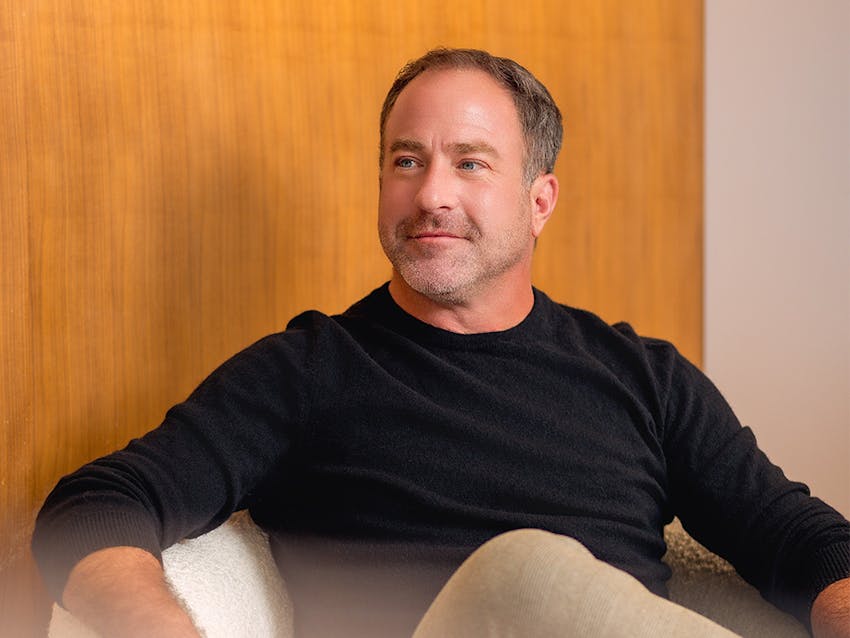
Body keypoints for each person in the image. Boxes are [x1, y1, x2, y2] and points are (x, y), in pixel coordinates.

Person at [32, 48, 850, 638]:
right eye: (406, 160)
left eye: (469, 163)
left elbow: (800, 540)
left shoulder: (643, 378)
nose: (431, 195)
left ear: (539, 200)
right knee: (525, 571)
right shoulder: (308, 371)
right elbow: (95, 507)